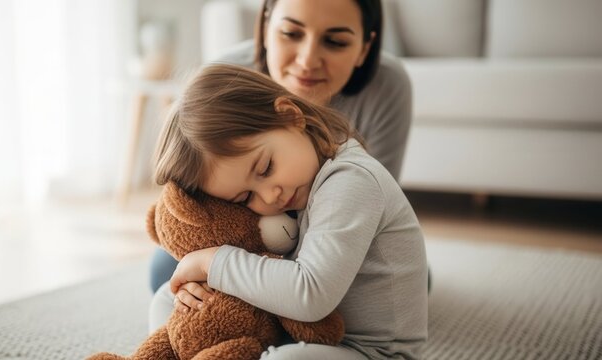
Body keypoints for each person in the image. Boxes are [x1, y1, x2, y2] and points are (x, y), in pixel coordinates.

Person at [149, 63, 427, 359]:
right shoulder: (299, 179)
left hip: (369, 352)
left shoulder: (351, 180)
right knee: (167, 299)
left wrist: (213, 263)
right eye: (245, 197)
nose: (270, 197)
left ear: (291, 116)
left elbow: (311, 294)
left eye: (265, 168)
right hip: (296, 333)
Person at [149, 0, 413, 293]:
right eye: (291, 33)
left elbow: (371, 209)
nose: (307, 61)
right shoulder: (225, 80)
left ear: (364, 47)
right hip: (255, 231)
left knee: (395, 279)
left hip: (341, 231)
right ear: (265, 25)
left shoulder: (388, 86)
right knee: (167, 271)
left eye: (335, 41)